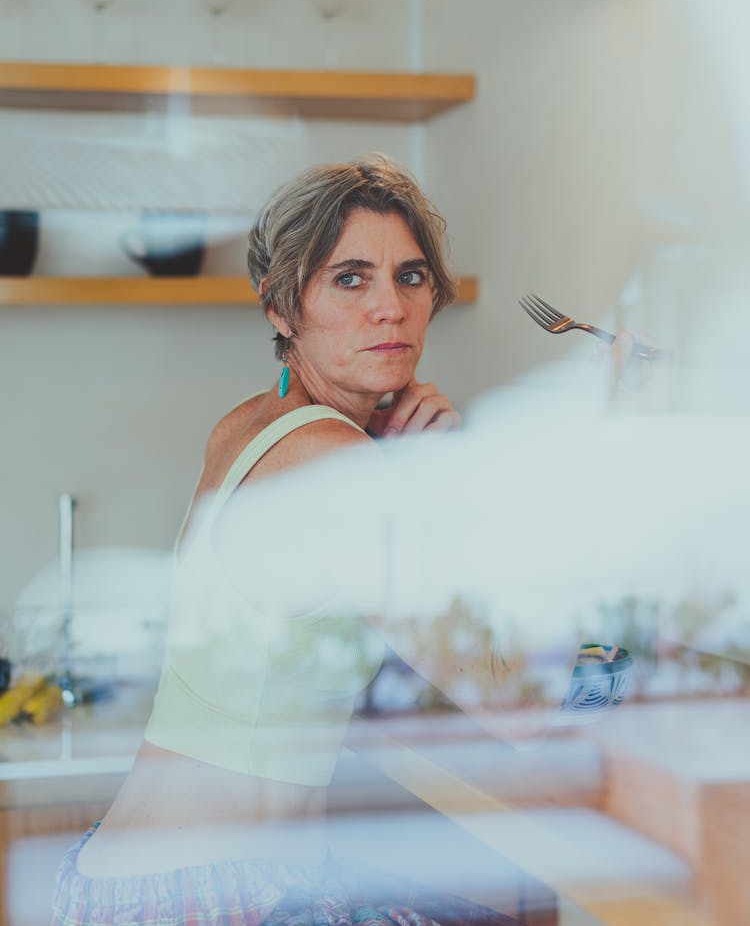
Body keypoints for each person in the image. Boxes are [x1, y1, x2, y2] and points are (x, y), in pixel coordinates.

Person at [50, 156, 520, 926]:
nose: (389, 308)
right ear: (280, 307)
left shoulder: (252, 422)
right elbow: (514, 709)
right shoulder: (335, 463)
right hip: (213, 896)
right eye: (349, 278)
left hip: (124, 884)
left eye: (410, 276)